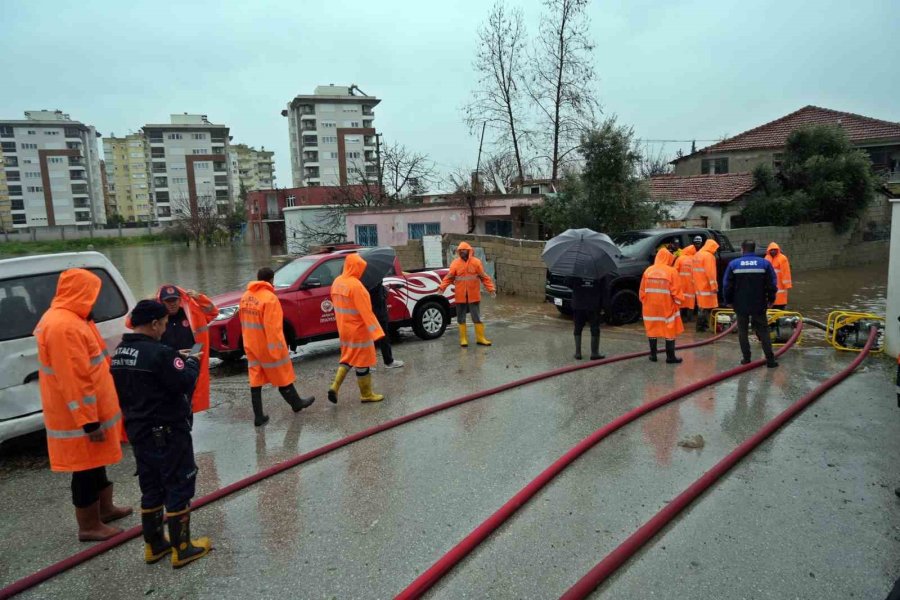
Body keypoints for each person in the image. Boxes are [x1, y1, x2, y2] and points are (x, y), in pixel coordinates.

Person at [110, 300, 210, 568]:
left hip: (139, 432)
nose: (165, 330)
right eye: (163, 325)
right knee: (178, 484)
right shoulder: (160, 354)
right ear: (154, 323)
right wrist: (190, 362)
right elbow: (184, 382)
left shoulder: (120, 353)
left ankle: (155, 545)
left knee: (151, 487)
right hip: (167, 432)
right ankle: (183, 548)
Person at [33, 268, 131, 542]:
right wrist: (88, 421)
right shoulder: (64, 326)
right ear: (79, 292)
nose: (95, 299)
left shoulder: (73, 319)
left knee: (95, 463)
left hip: (89, 412)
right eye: (92, 293)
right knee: (85, 469)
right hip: (78, 418)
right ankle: (89, 525)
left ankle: (105, 509)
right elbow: (74, 379)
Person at [240, 268, 315, 426]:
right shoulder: (270, 298)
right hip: (267, 346)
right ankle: (296, 403)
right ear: (271, 280)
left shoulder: (246, 297)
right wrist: (278, 349)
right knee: (281, 375)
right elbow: (273, 328)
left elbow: (243, 321)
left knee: (255, 379)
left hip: (251, 344)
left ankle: (258, 416)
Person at [327, 254, 387, 403]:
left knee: (348, 357)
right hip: (359, 330)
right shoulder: (356, 286)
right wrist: (377, 332)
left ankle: (334, 386)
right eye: (361, 268)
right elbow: (366, 312)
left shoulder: (337, 282)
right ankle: (366, 394)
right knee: (362, 362)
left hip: (344, 328)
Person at [157, 284, 219, 413]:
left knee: (191, 394)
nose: (172, 304)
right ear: (161, 302)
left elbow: (213, 312)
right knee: (172, 396)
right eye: (168, 301)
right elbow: (130, 323)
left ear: (180, 300)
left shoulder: (191, 312)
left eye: (174, 300)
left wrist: (199, 298)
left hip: (193, 355)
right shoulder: (156, 318)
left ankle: (186, 419)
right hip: (169, 359)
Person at [723, 240, 778, 368]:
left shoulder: (734, 264)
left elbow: (727, 286)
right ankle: (770, 360)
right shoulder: (764, 263)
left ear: (742, 249)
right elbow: (772, 285)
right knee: (764, 331)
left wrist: (729, 301)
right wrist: (771, 300)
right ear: (754, 249)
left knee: (743, 331)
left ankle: (746, 359)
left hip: (740, 304)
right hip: (759, 304)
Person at [439, 241, 496, 347]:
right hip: (460, 296)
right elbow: (449, 278)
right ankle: (463, 339)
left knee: (476, 317)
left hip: (473, 295)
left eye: (463, 250)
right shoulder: (455, 263)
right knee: (461, 318)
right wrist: (442, 287)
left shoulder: (476, 262)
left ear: (469, 251)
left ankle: (480, 338)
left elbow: (484, 277)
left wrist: (491, 289)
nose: (461, 252)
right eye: (460, 250)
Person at [639, 247, 684, 364]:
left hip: (650, 307)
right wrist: (678, 303)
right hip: (666, 306)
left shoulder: (648, 271)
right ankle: (670, 357)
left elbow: (642, 292)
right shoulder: (671, 271)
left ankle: (653, 355)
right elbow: (677, 292)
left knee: (652, 329)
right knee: (669, 330)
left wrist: (645, 302)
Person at [367, 281, 404, 369]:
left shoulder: (364, 281)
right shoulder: (375, 281)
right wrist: (385, 291)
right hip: (379, 313)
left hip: (371, 313)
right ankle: (389, 361)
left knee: (368, 339)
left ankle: (365, 365)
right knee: (384, 337)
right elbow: (379, 297)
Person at [570, 276, 606, 360]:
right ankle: (594, 353)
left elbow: (568, 283)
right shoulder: (599, 271)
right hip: (593, 304)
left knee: (578, 327)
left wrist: (580, 286)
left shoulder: (576, 269)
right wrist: (604, 306)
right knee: (594, 327)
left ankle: (578, 353)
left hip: (578, 303)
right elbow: (604, 288)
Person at [692, 237, 720, 332]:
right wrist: (714, 287)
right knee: (706, 308)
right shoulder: (709, 256)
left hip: (698, 285)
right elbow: (710, 273)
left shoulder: (697, 254)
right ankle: (702, 326)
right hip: (706, 286)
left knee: (701, 306)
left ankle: (701, 327)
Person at [673, 242, 697, 322]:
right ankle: (689, 318)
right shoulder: (695, 259)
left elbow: (675, 271)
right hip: (692, 284)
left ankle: (680, 318)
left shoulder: (680, 258)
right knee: (690, 301)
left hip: (680, 283)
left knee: (680, 300)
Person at [764, 242, 793, 309]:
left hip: (780, 285)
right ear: (769, 250)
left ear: (778, 250)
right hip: (771, 284)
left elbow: (786, 272)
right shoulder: (766, 258)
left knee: (780, 303)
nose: (773, 251)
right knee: (771, 302)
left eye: (775, 249)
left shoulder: (782, 258)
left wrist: (787, 284)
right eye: (771, 250)